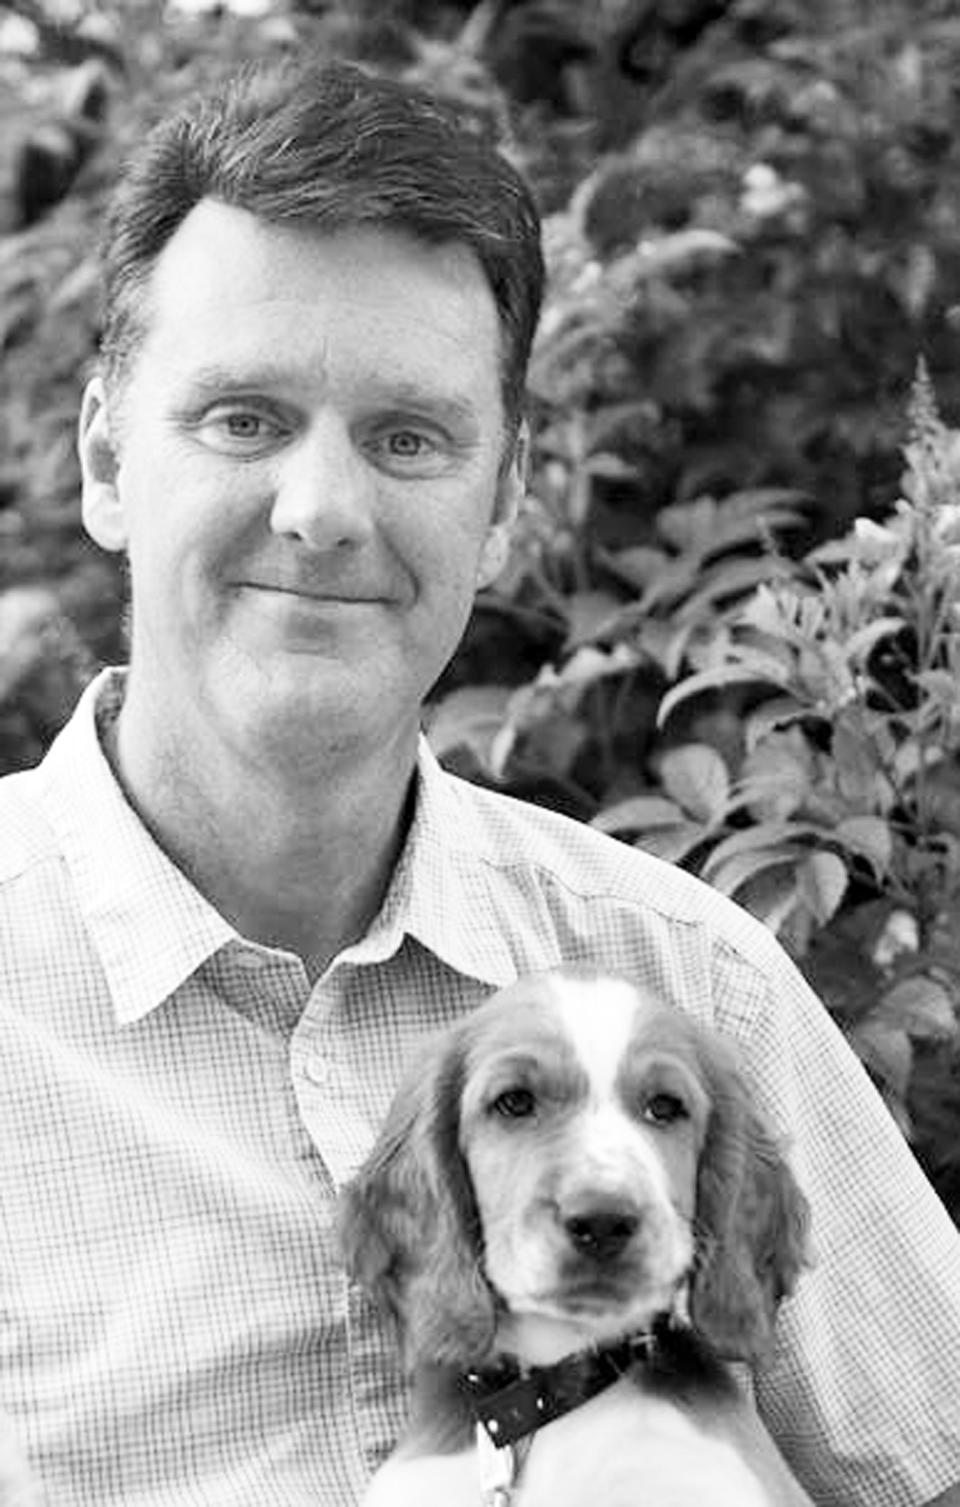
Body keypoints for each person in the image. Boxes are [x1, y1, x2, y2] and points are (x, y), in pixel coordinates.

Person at [1, 54, 959, 1507]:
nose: (323, 512)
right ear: (105, 456)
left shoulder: (699, 986)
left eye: (409, 438)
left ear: (504, 503)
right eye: (242, 418)